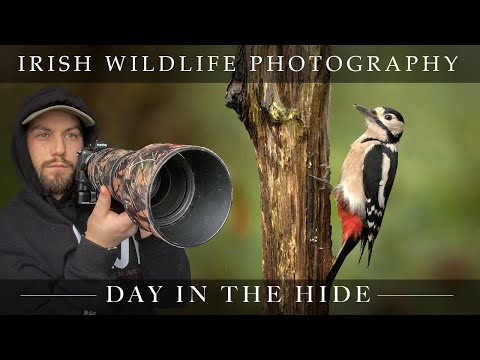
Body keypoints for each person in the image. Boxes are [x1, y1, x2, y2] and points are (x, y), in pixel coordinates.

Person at [0, 86, 191, 315]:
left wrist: (150, 214)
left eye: (71, 135)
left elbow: (172, 295)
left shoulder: (119, 200)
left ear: (85, 143)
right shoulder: (10, 232)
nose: (59, 149)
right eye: (43, 134)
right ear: (23, 145)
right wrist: (97, 247)